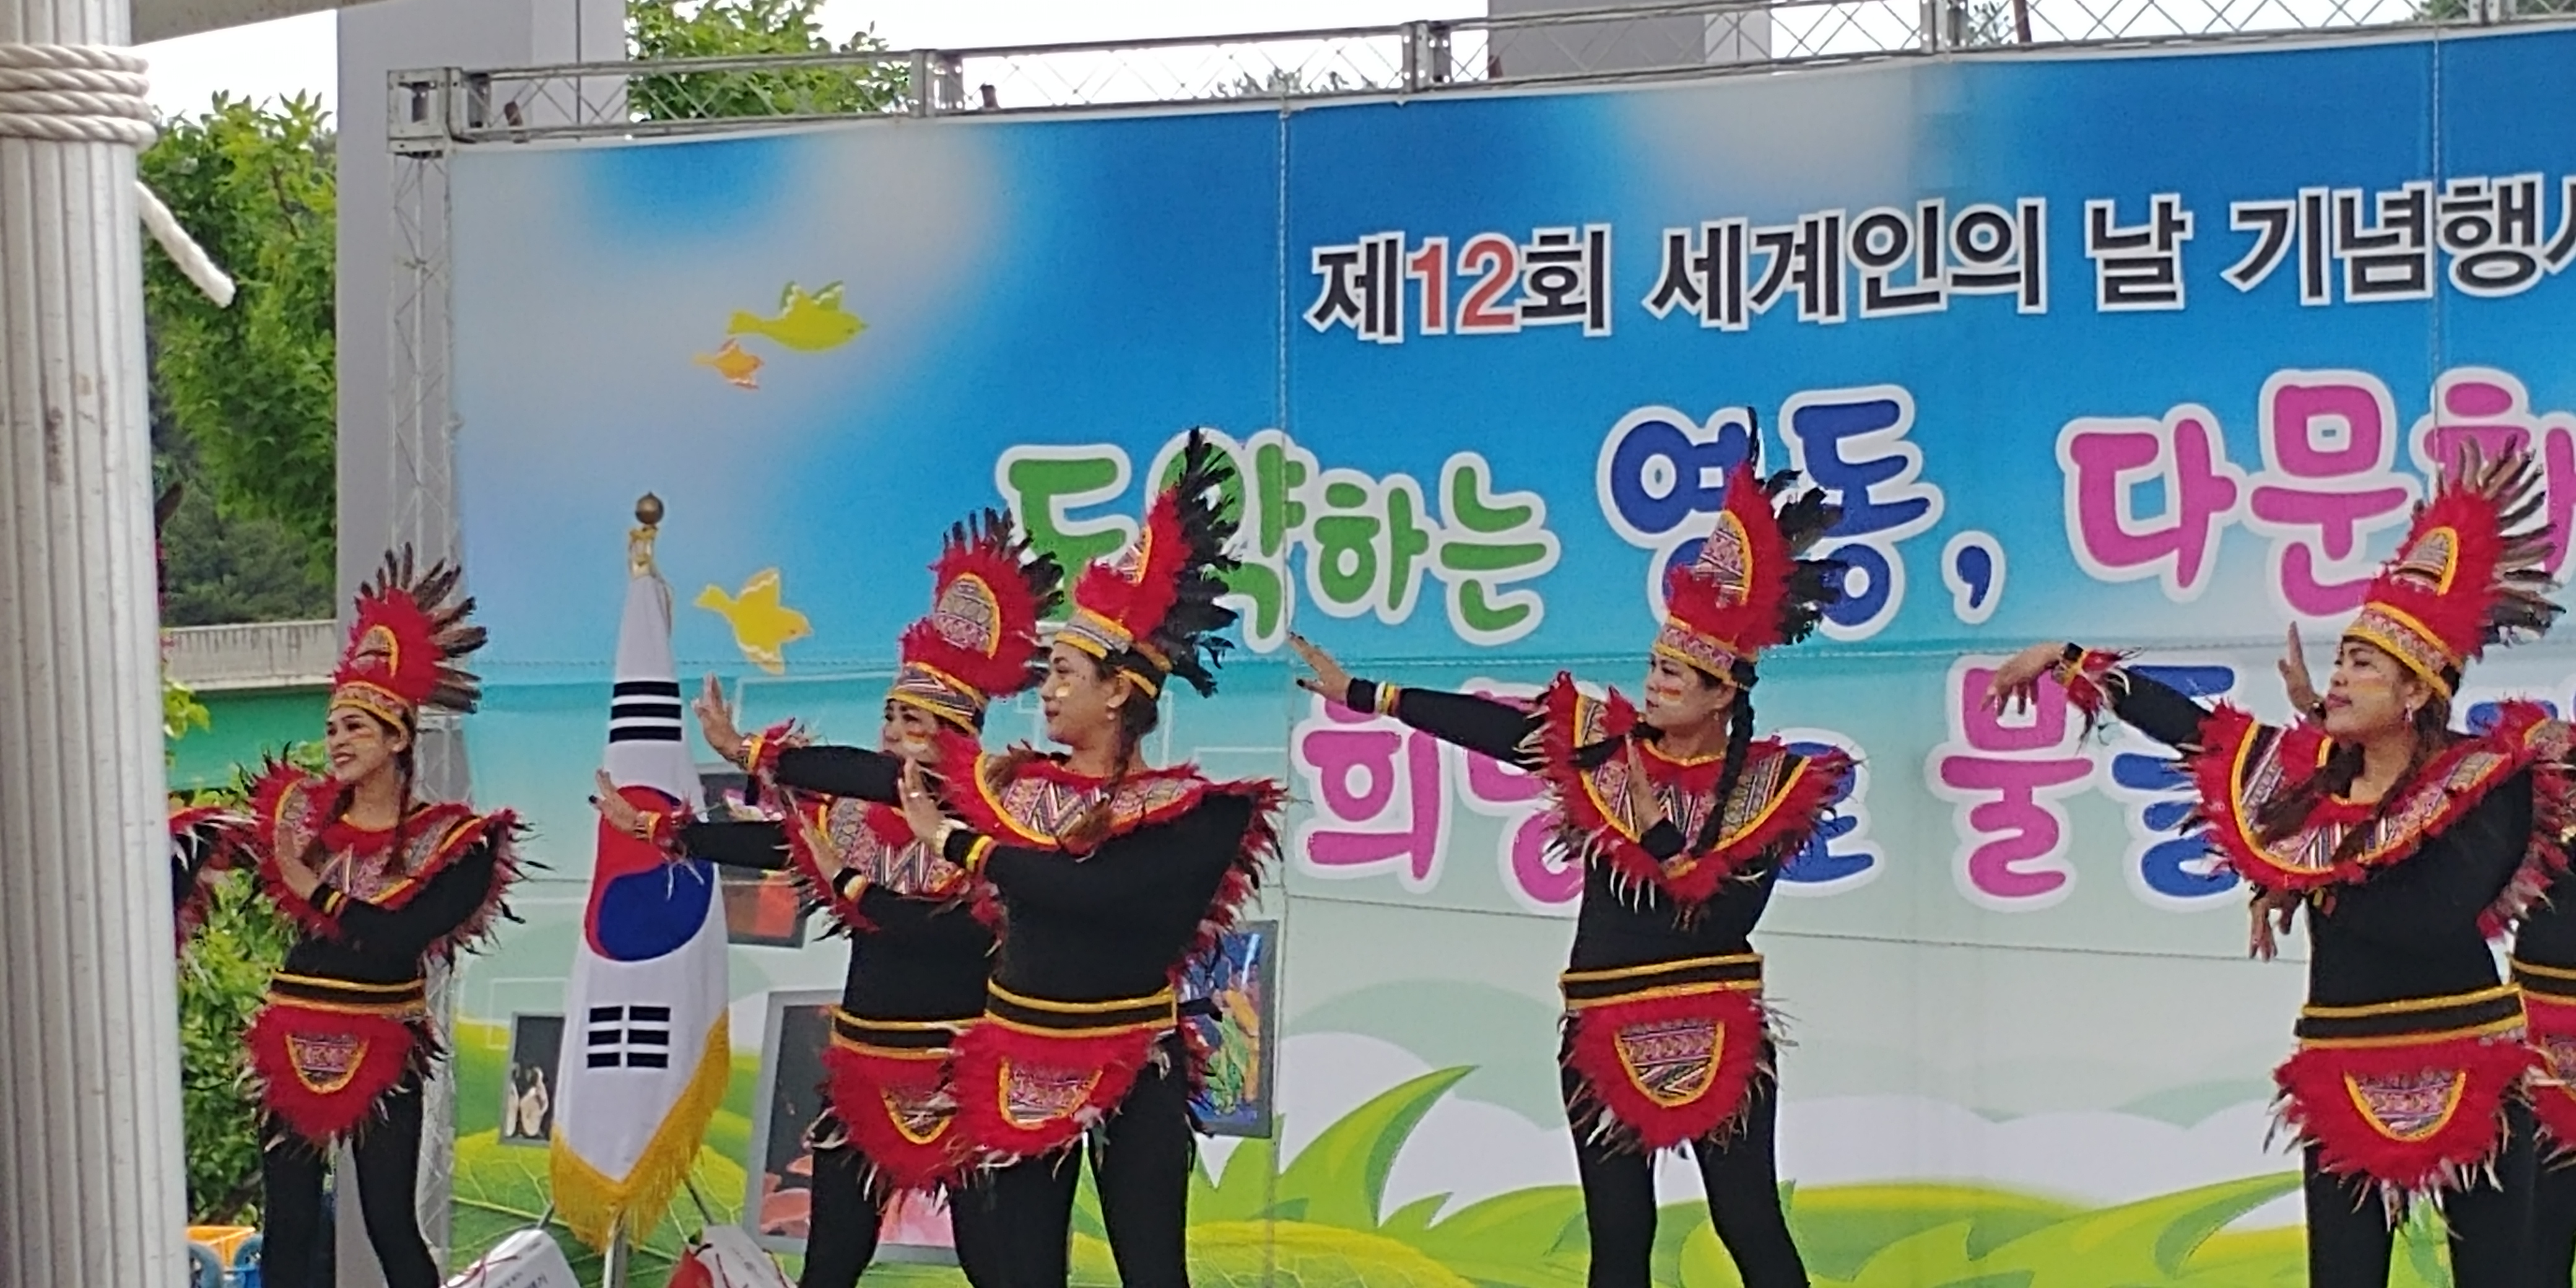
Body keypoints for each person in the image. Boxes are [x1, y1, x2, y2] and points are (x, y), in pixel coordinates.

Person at [1985, 446, 2568, 1288]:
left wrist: (2295, 878)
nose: (2338, 679)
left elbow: (2428, 914)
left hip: (2469, 1057)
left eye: (2362, 665)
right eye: (2338, 663)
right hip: (2342, 1062)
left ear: (2415, 692)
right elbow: (2201, 734)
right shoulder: (2307, 786)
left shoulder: (2484, 782)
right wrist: (2069, 659)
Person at [1289, 457, 1850, 1288]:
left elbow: (1723, 914)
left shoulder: (1770, 788)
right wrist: (1367, 694)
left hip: (1714, 1021)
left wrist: (1662, 839)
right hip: (1601, 1027)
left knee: (1747, 1222)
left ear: (1719, 694)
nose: (1651, 684)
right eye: (1653, 666)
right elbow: (1495, 728)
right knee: (1619, 1235)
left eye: (1671, 674)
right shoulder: (1603, 749)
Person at [596, 510, 1058, 1287]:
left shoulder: (991, 824)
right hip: (864, 1070)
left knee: (995, 1266)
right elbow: (780, 843)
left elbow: (921, 909)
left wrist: (756, 751)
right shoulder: (851, 818)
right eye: (889, 715)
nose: (892, 731)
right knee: (831, 1263)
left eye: (912, 720)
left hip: (961, 1078)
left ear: (956, 735)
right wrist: (661, 828)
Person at [882, 430, 1281, 1288]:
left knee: (1152, 1270)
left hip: (1134, 1058)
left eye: (1064, 673)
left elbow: (1084, 892)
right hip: (1017, 1052)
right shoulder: (1014, 786)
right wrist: (757, 758)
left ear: (1117, 692)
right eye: (1047, 673)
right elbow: (889, 774)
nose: (1047, 690)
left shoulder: (1188, 815)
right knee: (1023, 1271)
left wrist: (953, 840)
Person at [232, 550, 524, 1288]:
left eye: (355, 726)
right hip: (292, 1031)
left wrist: (319, 891)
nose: (337, 740)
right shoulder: (300, 820)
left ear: (397, 737)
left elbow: (402, 936)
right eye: (332, 727)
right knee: (289, 1224)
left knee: (389, 1221)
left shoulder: (455, 841)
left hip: (382, 1038)